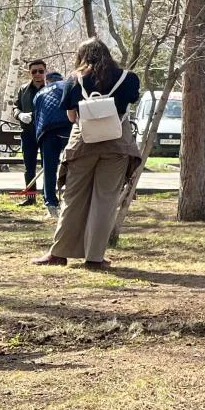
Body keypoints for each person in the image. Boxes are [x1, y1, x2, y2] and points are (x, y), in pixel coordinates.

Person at [31, 38, 140, 269]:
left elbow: (71, 117)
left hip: (83, 143)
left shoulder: (74, 79)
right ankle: (94, 257)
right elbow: (129, 105)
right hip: (116, 143)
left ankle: (59, 252)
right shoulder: (128, 78)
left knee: (73, 197)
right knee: (106, 200)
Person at [32, 69, 70, 217]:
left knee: (49, 169)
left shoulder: (38, 95)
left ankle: (51, 204)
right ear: (61, 78)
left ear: (47, 81)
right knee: (73, 164)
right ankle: (71, 199)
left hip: (47, 132)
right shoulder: (68, 85)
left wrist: (39, 139)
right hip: (67, 127)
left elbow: (37, 117)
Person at [10, 59, 47, 206]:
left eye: (40, 71)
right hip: (28, 133)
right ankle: (30, 197)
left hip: (47, 134)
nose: (37, 74)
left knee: (48, 166)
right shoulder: (23, 89)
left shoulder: (52, 88)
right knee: (29, 167)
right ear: (29, 73)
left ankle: (48, 197)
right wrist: (20, 115)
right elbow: (15, 107)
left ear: (45, 71)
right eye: (34, 72)